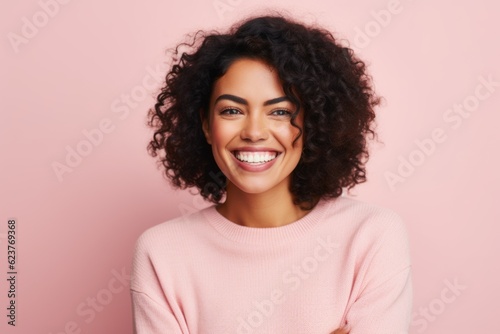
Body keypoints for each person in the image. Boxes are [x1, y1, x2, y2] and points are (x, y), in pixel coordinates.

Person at [130, 14, 412, 334]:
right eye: (232, 110)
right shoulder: (162, 253)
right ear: (207, 125)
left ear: (312, 124)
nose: (254, 132)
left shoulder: (370, 237)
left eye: (279, 112)